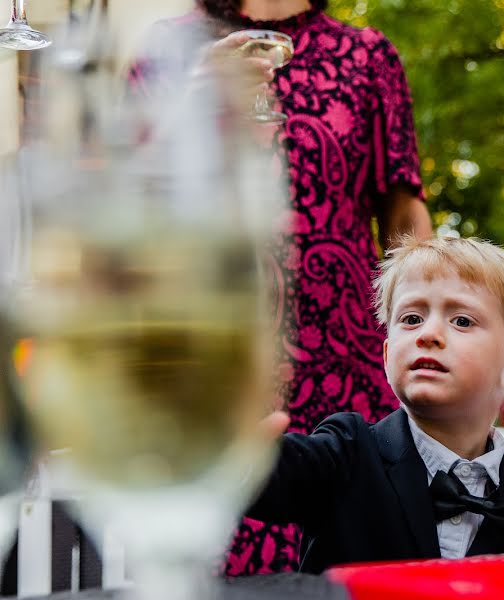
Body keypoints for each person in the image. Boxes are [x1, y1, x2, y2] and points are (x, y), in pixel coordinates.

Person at [128, 0, 432, 573]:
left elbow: (404, 220)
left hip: (350, 378)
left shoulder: (368, 56)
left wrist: (427, 335)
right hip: (215, 372)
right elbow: (123, 208)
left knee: (361, 567)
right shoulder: (164, 51)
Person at [245, 236, 504, 573]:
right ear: (385, 356)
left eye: (462, 321)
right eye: (411, 319)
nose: (428, 334)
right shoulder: (346, 451)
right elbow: (269, 480)